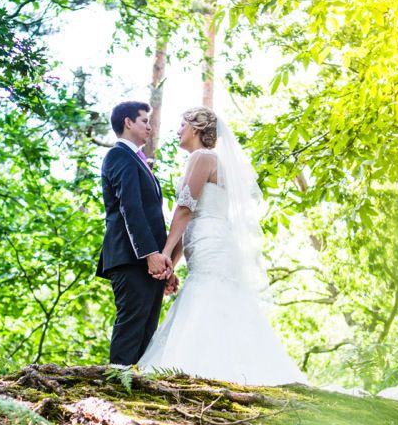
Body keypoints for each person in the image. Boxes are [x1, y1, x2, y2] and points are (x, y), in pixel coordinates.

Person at [136, 107, 306, 385]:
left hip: (210, 241)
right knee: (210, 295)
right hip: (203, 240)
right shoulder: (206, 160)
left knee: (208, 295)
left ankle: (207, 371)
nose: (178, 131)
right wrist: (172, 266)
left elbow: (184, 210)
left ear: (196, 129)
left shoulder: (202, 157)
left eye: (182, 125)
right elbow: (187, 219)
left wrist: (165, 254)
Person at [98, 101, 176, 365]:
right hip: (131, 259)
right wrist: (150, 253)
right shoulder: (118, 155)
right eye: (145, 121)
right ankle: (116, 392)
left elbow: (153, 217)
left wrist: (166, 265)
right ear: (127, 122)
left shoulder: (139, 161)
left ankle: (136, 394)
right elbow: (129, 207)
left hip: (150, 262)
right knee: (131, 328)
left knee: (147, 334)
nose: (150, 128)